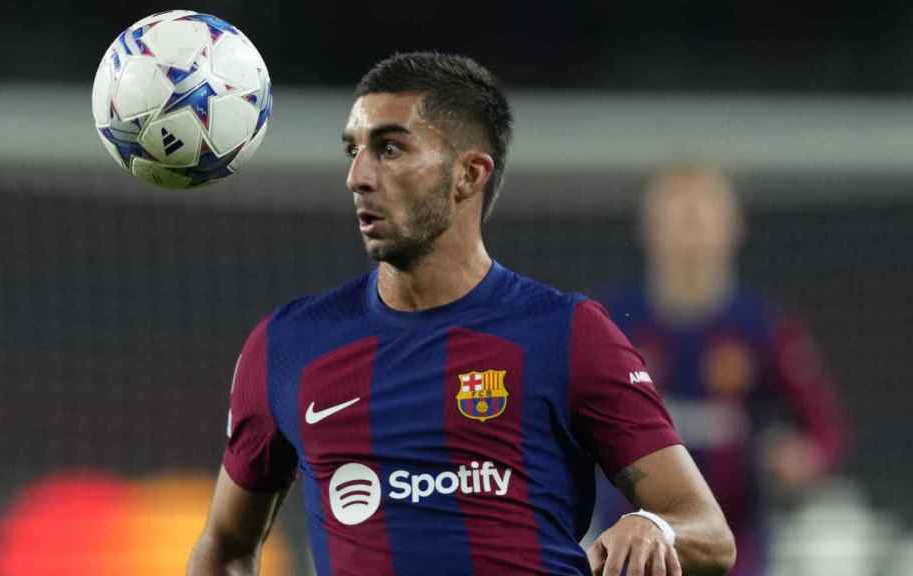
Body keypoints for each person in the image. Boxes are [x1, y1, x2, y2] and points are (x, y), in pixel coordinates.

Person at [187, 53, 735, 576]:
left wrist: (655, 528)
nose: (357, 176)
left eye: (390, 149)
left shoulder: (568, 334)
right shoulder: (288, 346)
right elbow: (224, 548)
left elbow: (708, 532)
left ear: (469, 175)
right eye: (352, 150)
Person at [592, 164, 846, 575]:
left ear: (732, 227)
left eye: (701, 216)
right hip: (631, 545)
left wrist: (802, 458)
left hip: (734, 545)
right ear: (649, 228)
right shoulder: (608, 324)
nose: (690, 232)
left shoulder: (763, 327)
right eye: (677, 217)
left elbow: (825, 429)